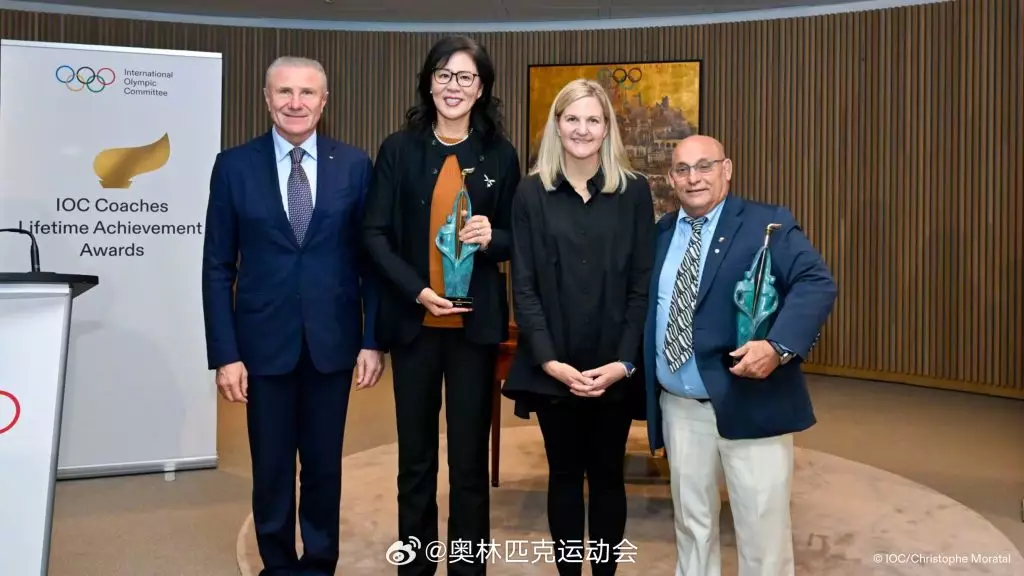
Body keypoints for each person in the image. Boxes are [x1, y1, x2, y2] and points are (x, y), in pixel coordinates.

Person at [201, 56, 385, 576]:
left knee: (324, 467)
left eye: (307, 93)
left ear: (324, 102)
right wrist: (225, 354)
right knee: (272, 469)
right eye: (284, 92)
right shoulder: (233, 166)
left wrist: (372, 339)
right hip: (262, 346)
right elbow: (217, 266)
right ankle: (277, 566)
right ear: (267, 99)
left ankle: (320, 563)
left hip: (333, 342)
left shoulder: (354, 165)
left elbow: (371, 261)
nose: (296, 102)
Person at [361, 35, 520, 576]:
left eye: (466, 77)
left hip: (475, 329)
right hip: (416, 324)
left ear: (482, 89)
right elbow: (374, 235)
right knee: (416, 462)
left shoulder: (500, 154)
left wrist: (493, 237)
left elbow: (517, 236)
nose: (454, 86)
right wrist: (416, 290)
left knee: (469, 463)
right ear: (429, 83)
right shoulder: (399, 150)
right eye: (444, 75)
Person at [643, 134, 837, 576]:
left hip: (750, 400)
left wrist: (778, 346)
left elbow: (815, 282)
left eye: (704, 166)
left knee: (761, 532)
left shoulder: (766, 224)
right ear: (671, 178)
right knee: (692, 527)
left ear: (726, 170)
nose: (693, 178)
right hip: (679, 408)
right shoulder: (662, 233)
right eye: (682, 169)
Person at [501, 78, 655, 576]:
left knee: (608, 476)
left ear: (607, 127)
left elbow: (641, 284)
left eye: (593, 119)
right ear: (557, 125)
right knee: (564, 476)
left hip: (615, 363)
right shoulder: (530, 192)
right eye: (572, 118)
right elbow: (524, 286)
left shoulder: (634, 192)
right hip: (554, 365)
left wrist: (624, 362)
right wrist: (549, 361)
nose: (582, 129)